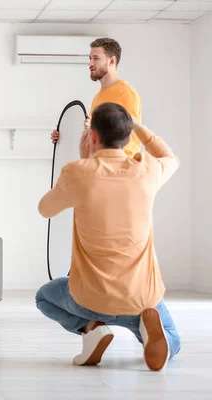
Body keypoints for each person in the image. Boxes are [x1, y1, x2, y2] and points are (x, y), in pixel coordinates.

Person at [36, 102, 181, 371]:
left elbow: (44, 209)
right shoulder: (146, 171)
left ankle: (93, 328)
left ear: (92, 136)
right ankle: (146, 330)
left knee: (43, 297)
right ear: (128, 138)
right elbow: (172, 158)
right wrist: (138, 125)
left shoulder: (78, 173)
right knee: (173, 341)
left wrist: (84, 162)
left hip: (89, 300)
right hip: (141, 299)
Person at [52, 37, 143, 158]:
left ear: (111, 61)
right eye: (90, 58)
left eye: (96, 58)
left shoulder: (126, 93)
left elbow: (129, 138)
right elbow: (95, 138)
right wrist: (64, 137)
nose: (90, 63)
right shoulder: (98, 97)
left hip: (119, 169)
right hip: (102, 166)